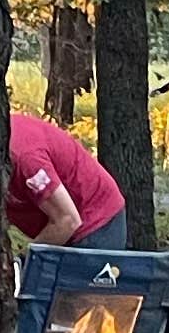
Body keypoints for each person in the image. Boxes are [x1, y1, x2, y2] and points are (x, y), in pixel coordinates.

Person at [7, 106, 126, 247]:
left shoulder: (26, 160)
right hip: (64, 221)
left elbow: (67, 220)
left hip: (94, 222)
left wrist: (28, 261)